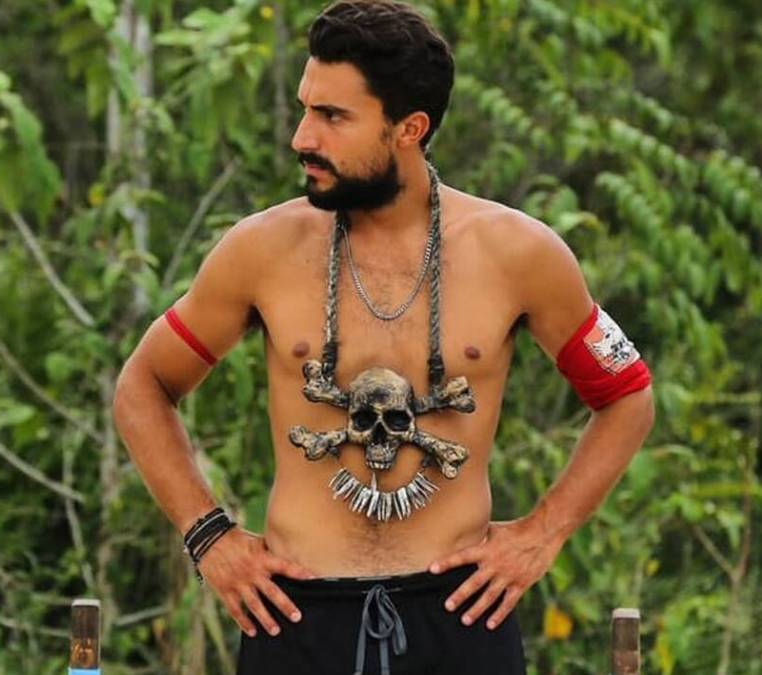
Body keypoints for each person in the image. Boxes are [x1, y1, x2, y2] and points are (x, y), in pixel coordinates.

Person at [113, 2, 655, 673]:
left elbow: (627, 394)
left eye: (332, 116)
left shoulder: (518, 254)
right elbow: (143, 385)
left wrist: (543, 534)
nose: (302, 138)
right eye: (306, 109)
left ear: (409, 128)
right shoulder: (261, 250)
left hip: (460, 620)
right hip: (295, 619)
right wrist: (210, 536)